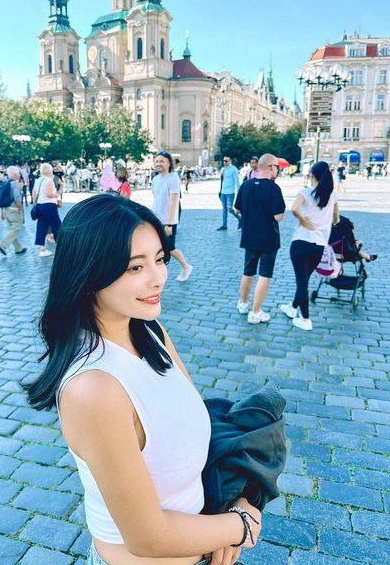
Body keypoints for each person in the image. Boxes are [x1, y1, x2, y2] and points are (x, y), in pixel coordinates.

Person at [24, 194, 262, 565]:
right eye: (135, 267)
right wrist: (240, 525)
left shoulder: (150, 333)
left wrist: (236, 502)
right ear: (89, 273)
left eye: (160, 259)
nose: (158, 278)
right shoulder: (93, 389)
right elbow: (147, 536)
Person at [280, 161, 339, 331]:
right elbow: (336, 217)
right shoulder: (333, 196)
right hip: (319, 245)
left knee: (302, 282)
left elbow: (294, 209)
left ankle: (305, 319)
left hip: (301, 241)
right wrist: (330, 221)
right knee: (304, 279)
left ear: (312, 175)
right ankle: (293, 308)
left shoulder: (305, 192)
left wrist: (304, 221)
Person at [234, 154, 285, 324]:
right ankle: (256, 312)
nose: (277, 169)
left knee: (248, 271)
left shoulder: (246, 185)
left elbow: (237, 209)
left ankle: (243, 303)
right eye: (277, 166)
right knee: (264, 274)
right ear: (270, 167)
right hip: (268, 238)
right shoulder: (273, 188)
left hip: (249, 235)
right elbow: (278, 217)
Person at [152, 150, 193, 281]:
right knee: (157, 247)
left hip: (168, 221)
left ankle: (186, 267)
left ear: (169, 163)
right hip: (156, 218)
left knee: (169, 248)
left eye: (162, 161)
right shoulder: (155, 179)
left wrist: (169, 223)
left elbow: (174, 202)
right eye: (157, 161)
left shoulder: (173, 178)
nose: (158, 163)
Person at [0, 166, 27, 256]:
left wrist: (2, 212)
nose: (20, 175)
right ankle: (3, 245)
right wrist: (20, 208)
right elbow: (17, 198)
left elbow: (2, 198)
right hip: (14, 209)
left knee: (13, 229)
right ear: (15, 174)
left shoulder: (5, 183)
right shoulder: (15, 184)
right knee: (17, 228)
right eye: (18, 173)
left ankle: (18, 248)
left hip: (6, 209)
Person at [32, 162, 61, 257]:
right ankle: (60, 246)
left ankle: (42, 250)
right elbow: (49, 194)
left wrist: (36, 204)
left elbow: (34, 194)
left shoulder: (38, 180)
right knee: (56, 224)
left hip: (40, 205)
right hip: (49, 205)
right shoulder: (49, 180)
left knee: (41, 226)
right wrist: (58, 193)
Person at [217, 156, 240, 231]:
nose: (224, 162)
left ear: (230, 161)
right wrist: (220, 190)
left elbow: (237, 181)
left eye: (226, 161)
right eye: (224, 161)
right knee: (224, 209)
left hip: (230, 192)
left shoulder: (234, 169)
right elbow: (223, 180)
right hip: (223, 192)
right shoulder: (223, 169)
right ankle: (224, 225)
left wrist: (239, 192)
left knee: (230, 209)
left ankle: (240, 218)